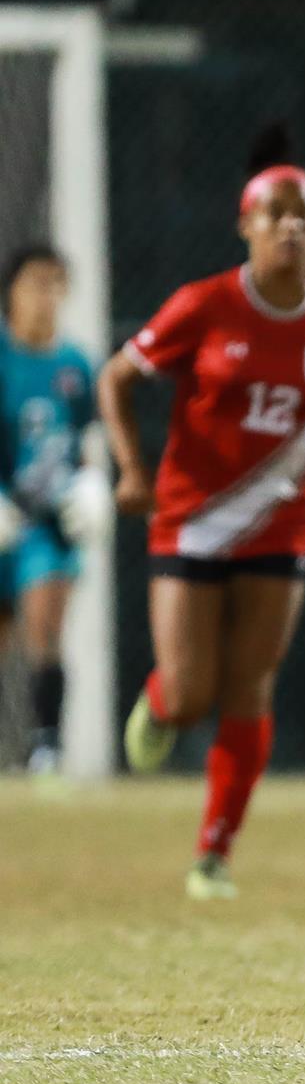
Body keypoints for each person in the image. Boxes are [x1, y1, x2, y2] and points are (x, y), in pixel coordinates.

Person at [96, 125, 305, 900]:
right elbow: (118, 377)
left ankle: (214, 852)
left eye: (304, 214)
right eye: (274, 212)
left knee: (250, 685)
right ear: (245, 225)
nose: (291, 226)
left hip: (282, 520)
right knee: (192, 688)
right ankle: (163, 702)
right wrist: (132, 469)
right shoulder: (204, 306)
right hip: (190, 513)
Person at [0, 244, 112, 778]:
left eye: (56, 284)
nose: (46, 297)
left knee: (47, 622)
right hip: (2, 512)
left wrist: (90, 484)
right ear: (11, 293)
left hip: (49, 520)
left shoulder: (75, 365)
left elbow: (85, 435)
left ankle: (47, 746)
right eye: (36, 284)